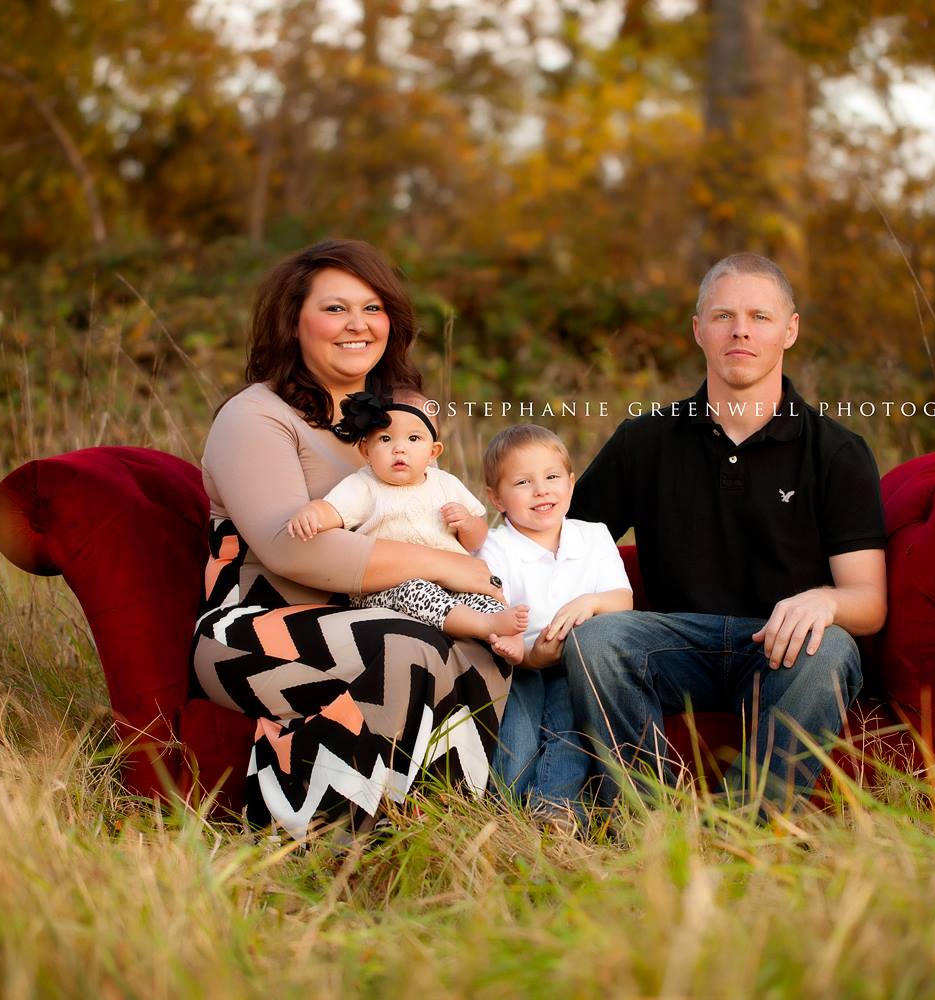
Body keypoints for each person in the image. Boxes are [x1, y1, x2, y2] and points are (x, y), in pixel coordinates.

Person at [191, 239, 510, 839]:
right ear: (293, 322)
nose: (358, 325)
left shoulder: (397, 424)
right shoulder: (254, 417)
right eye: (335, 309)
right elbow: (291, 547)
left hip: (372, 610)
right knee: (401, 645)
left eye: (373, 307)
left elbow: (443, 514)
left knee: (486, 637)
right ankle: (328, 845)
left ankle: (457, 840)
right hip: (251, 628)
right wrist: (441, 570)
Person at [564, 252, 889, 810]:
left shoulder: (836, 451)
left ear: (790, 330)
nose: (741, 330)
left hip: (783, 650)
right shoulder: (646, 440)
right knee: (596, 640)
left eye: (760, 317)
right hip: (672, 645)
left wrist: (826, 601)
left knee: (832, 649)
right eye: (723, 316)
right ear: (698, 330)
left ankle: (744, 825)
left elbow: (869, 601)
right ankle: (650, 819)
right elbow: (560, 543)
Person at [285, 390, 530, 647]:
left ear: (433, 451)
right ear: (366, 450)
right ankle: (483, 626)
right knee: (418, 592)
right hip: (386, 587)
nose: (399, 448)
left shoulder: (446, 484)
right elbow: (333, 511)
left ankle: (508, 638)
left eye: (414, 438)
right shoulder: (364, 485)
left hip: (452, 581)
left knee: (482, 597)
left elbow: (476, 540)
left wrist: (468, 523)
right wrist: (312, 512)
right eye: (386, 439)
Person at [474, 424, 633, 812]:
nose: (541, 490)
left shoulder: (593, 536)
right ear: (497, 498)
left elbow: (623, 601)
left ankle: (555, 809)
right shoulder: (493, 548)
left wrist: (591, 602)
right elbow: (492, 618)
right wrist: (530, 656)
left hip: (579, 663)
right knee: (519, 738)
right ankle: (501, 810)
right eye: (523, 482)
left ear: (572, 483)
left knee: (570, 727)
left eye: (551, 477)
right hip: (516, 665)